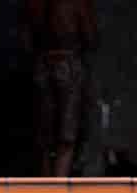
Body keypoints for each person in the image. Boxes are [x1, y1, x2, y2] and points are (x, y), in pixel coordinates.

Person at [22, 0, 99, 176]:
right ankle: (57, 189)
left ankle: (47, 187)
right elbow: (91, 36)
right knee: (67, 136)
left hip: (42, 65)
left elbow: (26, 40)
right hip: (68, 64)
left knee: (45, 137)